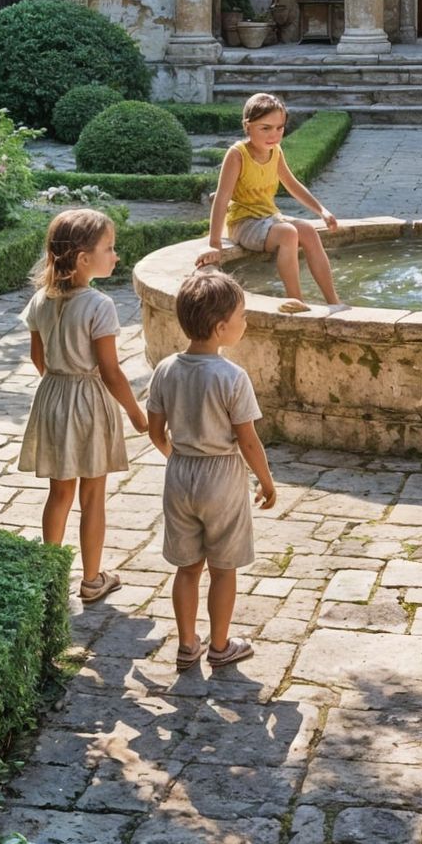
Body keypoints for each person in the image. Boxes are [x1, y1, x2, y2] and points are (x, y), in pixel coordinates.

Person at [18, 207, 152, 603]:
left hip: (53, 396)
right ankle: (93, 579)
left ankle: (51, 576)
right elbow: (110, 371)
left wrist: (60, 382)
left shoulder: (41, 299)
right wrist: (135, 412)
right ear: (83, 258)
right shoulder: (98, 305)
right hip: (90, 402)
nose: (116, 255)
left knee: (59, 493)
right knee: (92, 495)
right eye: (109, 248)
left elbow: (37, 359)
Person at [147, 268, 275, 669]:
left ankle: (187, 645)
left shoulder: (166, 368)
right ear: (221, 327)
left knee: (187, 567)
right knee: (223, 568)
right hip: (222, 477)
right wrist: (266, 481)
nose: (246, 322)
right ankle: (220, 646)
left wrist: (177, 456)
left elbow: (154, 429)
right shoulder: (231, 377)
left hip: (180, 473)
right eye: (242, 316)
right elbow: (248, 439)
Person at [201, 93, 339, 306]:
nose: (273, 135)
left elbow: (292, 185)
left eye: (279, 128)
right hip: (244, 222)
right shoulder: (237, 154)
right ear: (248, 126)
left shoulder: (275, 151)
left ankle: (334, 301)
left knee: (309, 232)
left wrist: (322, 211)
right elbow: (221, 199)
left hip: (269, 218)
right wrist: (214, 244)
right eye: (265, 128)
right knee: (289, 233)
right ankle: (296, 301)